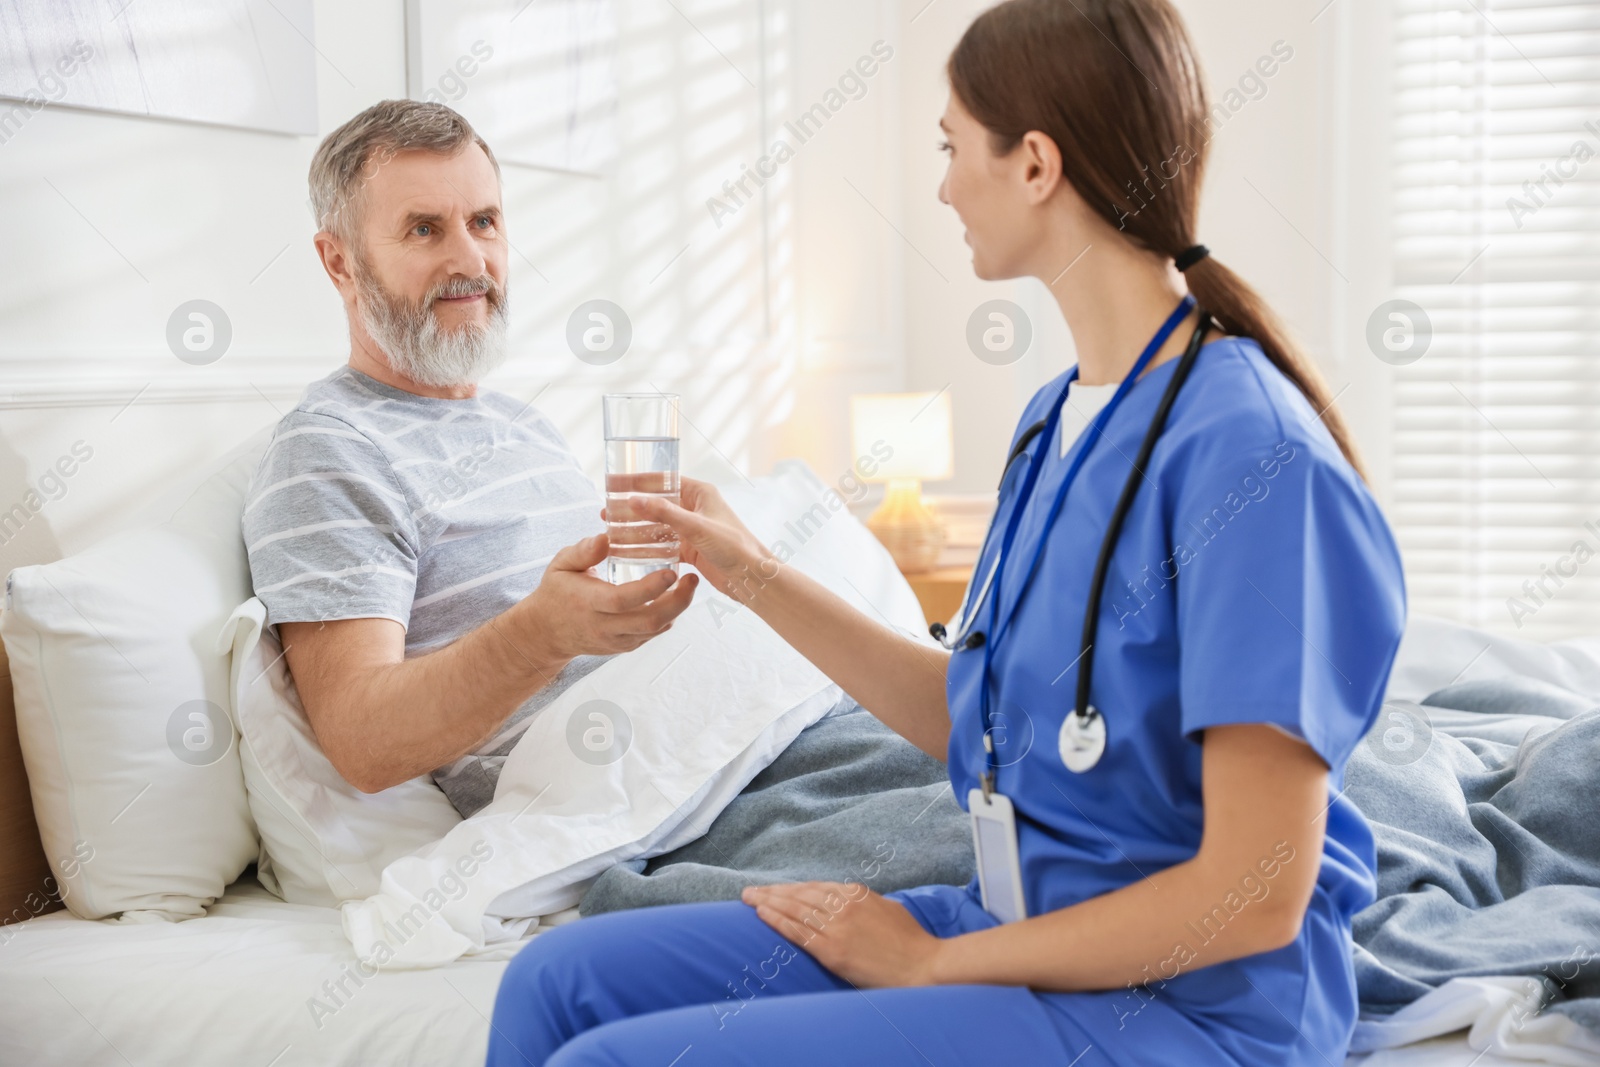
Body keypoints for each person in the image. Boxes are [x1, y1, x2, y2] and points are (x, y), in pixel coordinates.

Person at [484, 0, 1407, 1064]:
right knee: (558, 981)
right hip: (1021, 933)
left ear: (1034, 165)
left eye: (952, 145)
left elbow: (1253, 896)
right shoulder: (1050, 423)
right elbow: (979, 716)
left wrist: (928, 964)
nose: (941, 184)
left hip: (1189, 1004)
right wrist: (748, 570)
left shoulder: (1252, 456)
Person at [242, 100, 697, 817]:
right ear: (340, 262)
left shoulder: (525, 424)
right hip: (644, 799)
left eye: (484, 221)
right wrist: (541, 634)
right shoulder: (329, 449)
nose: (470, 261)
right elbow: (363, 740)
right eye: (425, 229)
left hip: (718, 738)